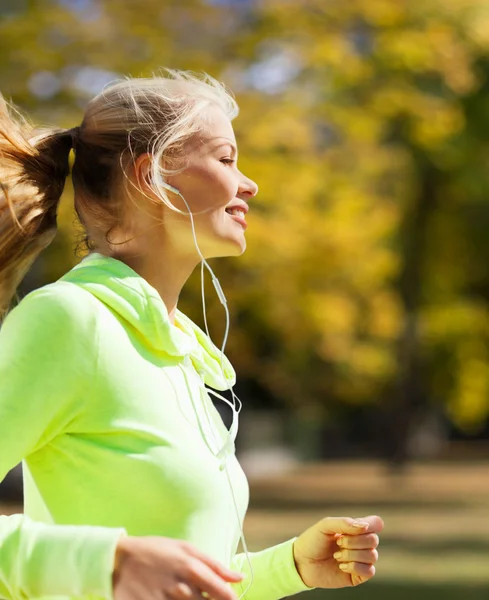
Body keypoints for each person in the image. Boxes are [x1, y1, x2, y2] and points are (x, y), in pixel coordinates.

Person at [0, 70, 383, 600]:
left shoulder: (176, 346)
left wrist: (290, 566)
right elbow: (124, 569)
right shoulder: (70, 322)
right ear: (150, 176)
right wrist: (101, 563)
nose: (249, 183)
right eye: (226, 159)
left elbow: (173, 574)